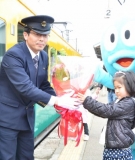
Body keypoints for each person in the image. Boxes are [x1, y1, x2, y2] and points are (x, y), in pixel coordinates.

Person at [0, 15, 79, 160]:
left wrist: (62, 98)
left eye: (45, 35)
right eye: (37, 34)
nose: (42, 39)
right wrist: (55, 100)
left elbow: (42, 84)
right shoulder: (13, 56)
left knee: (27, 156)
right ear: (25, 35)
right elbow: (25, 87)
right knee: (8, 157)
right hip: (7, 120)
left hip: (27, 119)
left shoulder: (43, 56)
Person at [78, 71, 135, 160]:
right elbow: (104, 109)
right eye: (115, 88)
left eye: (119, 87)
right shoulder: (120, 101)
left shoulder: (128, 103)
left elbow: (106, 110)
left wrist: (87, 101)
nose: (117, 91)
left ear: (129, 86)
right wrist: (87, 102)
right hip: (114, 147)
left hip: (119, 150)